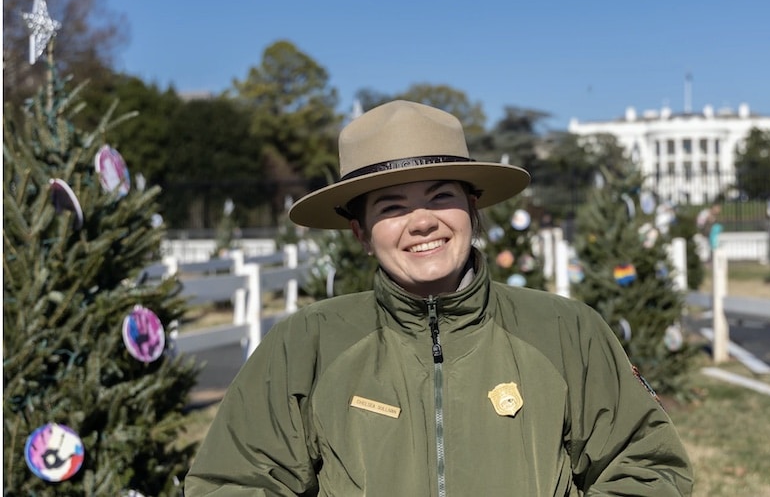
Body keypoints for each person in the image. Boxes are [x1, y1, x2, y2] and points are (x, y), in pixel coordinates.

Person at [183, 100, 694, 496]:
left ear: (472, 209)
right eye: (392, 205)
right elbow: (234, 481)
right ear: (361, 232)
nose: (422, 220)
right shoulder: (307, 343)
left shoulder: (566, 331)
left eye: (440, 196)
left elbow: (647, 466)